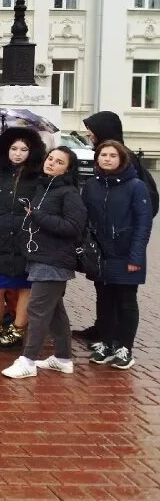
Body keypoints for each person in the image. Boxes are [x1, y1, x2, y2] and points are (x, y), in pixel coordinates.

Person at [0, 147, 86, 379]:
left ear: (68, 168)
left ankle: (28, 361)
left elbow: (73, 227)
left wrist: (37, 215)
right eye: (50, 158)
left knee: (37, 310)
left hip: (55, 261)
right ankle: (62, 358)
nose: (51, 163)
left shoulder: (69, 193)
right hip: (40, 257)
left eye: (59, 162)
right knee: (55, 311)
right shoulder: (45, 186)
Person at [74, 110, 159, 344]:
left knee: (123, 295)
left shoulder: (128, 162)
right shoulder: (97, 168)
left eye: (91, 129)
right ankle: (103, 330)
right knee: (103, 289)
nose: (88, 133)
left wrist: (127, 232)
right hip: (102, 244)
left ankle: (121, 340)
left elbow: (145, 205)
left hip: (123, 243)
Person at [82, 140, 153, 370]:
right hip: (101, 255)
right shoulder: (92, 184)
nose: (108, 159)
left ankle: (125, 348)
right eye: (103, 155)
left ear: (122, 159)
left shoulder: (136, 186)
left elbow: (143, 224)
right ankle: (106, 343)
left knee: (126, 302)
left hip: (126, 254)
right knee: (104, 301)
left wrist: (135, 257)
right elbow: (85, 218)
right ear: (98, 158)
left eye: (113, 155)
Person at [0, 128, 45, 350]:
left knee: (25, 288)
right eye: (13, 148)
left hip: (26, 240)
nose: (18, 153)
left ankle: (17, 329)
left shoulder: (38, 176)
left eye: (24, 149)